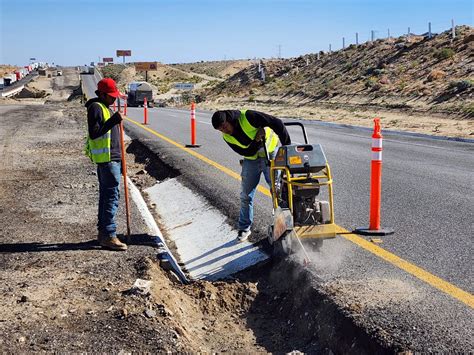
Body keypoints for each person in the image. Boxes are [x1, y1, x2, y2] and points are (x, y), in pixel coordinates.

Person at [211, 109, 291, 242]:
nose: (224, 131)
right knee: (246, 195)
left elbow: (277, 123)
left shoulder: (248, 117)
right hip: (251, 159)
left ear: (229, 120)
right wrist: (256, 140)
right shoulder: (227, 137)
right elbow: (245, 151)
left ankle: (283, 227)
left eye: (224, 126)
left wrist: (287, 149)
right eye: (220, 130)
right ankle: (244, 228)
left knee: (277, 193)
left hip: (270, 154)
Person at [84, 78, 127, 251]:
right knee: (111, 198)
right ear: (101, 94)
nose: (114, 99)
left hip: (113, 159)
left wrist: (122, 160)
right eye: (110, 96)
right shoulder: (96, 108)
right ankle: (109, 235)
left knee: (107, 197)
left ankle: (104, 233)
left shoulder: (106, 108)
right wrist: (113, 121)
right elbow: (94, 134)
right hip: (107, 161)